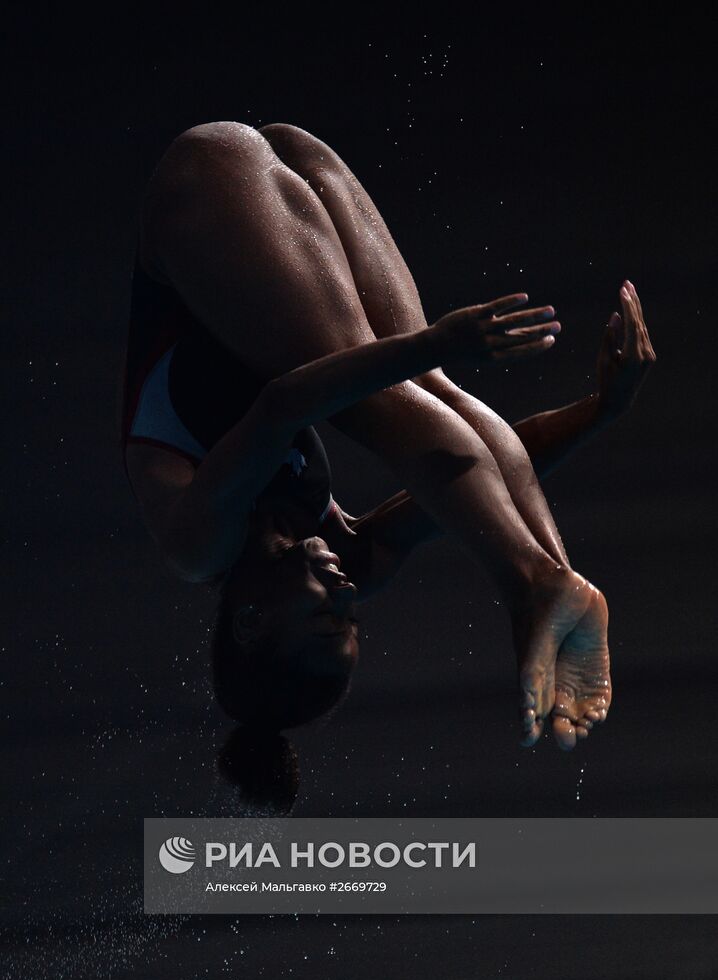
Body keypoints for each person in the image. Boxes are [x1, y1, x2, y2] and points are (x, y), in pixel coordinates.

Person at [120, 121, 655, 751]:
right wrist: (601, 412)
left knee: (384, 393)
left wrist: (433, 340)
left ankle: (535, 586)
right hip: (282, 177)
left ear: (251, 621)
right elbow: (467, 465)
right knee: (435, 390)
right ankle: (552, 579)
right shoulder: (342, 557)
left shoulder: (197, 544)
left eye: (325, 616)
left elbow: (282, 404)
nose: (347, 596)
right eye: (354, 621)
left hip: (206, 186)